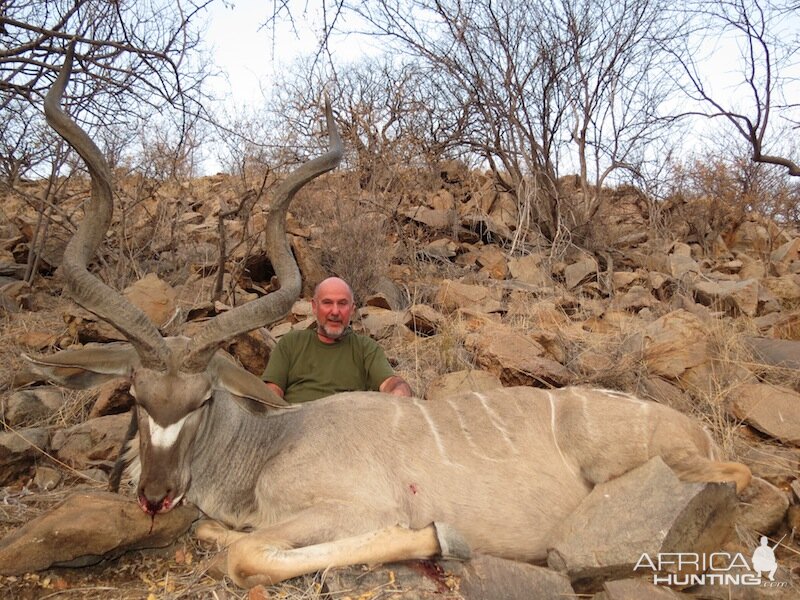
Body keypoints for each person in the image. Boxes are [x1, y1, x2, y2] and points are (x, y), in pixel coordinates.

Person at [262, 276, 413, 403]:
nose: (335, 312)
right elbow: (271, 393)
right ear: (314, 307)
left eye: (342, 303)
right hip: (297, 427)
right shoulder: (291, 343)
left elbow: (389, 383)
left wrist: (399, 391)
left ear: (352, 309)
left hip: (345, 429)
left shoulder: (366, 348)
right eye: (327, 303)